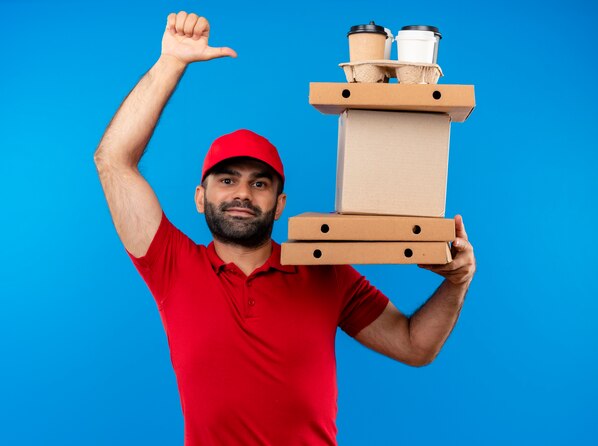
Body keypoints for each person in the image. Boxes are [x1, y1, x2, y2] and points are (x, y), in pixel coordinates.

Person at [94, 11, 476, 446]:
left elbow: (413, 344)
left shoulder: (324, 272)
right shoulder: (171, 265)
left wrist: (457, 281)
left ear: (280, 206)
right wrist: (170, 63)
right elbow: (112, 160)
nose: (242, 193)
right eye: (226, 180)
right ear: (200, 197)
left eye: (259, 183)